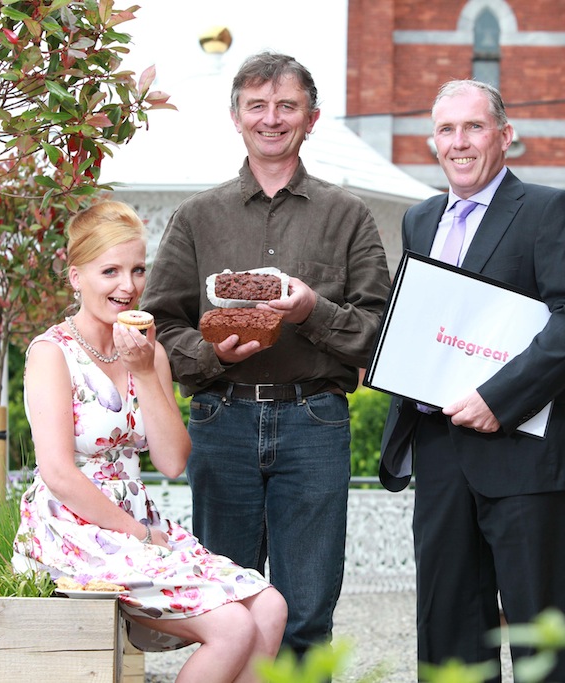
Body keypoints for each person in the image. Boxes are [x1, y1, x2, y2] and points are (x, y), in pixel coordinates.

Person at [141, 51, 391, 656]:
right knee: (224, 606)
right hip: (220, 421)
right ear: (236, 116)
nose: (271, 118)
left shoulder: (348, 216)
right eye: (258, 105)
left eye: (287, 106)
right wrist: (211, 353)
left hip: (316, 421)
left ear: (312, 118)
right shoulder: (197, 219)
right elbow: (157, 326)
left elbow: (381, 332)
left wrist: (313, 312)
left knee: (306, 614)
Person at [379, 80, 565, 682]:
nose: (459, 142)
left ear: (504, 137)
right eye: (447, 130)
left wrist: (497, 400)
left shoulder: (551, 210)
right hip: (439, 451)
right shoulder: (419, 220)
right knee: (447, 630)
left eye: (474, 127)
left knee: (537, 633)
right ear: (433, 142)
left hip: (522, 453)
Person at [12, 201, 287, 683]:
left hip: (139, 518)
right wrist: (138, 535)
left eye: (138, 270)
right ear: (76, 276)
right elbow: (57, 472)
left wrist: (142, 369)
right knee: (231, 627)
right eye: (110, 271)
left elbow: (173, 460)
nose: (128, 286)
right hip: (72, 526)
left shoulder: (149, 350)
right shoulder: (51, 353)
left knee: (270, 606)